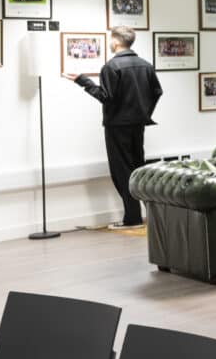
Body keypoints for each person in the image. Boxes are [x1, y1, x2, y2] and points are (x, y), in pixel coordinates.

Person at [66, 26, 162, 230]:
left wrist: (82, 81)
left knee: (122, 171)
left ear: (116, 42)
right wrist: (145, 112)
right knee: (138, 168)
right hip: (138, 124)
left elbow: (105, 97)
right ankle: (151, 216)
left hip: (117, 126)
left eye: (111, 39)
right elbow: (157, 92)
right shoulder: (146, 65)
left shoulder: (111, 67)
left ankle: (133, 218)